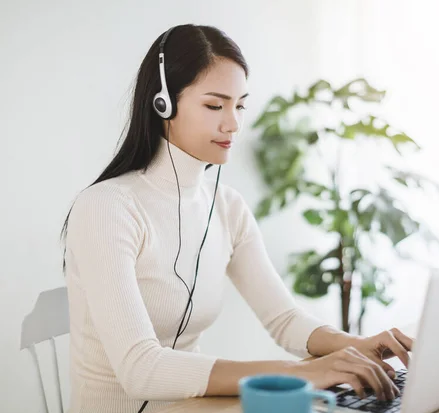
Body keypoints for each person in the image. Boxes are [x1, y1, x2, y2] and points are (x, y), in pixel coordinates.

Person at [61, 24, 413, 413]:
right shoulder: (107, 207)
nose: (233, 123)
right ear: (163, 104)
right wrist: (305, 373)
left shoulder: (226, 206)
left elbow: (284, 319)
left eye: (240, 105)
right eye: (215, 105)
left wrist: (354, 345)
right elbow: (140, 369)